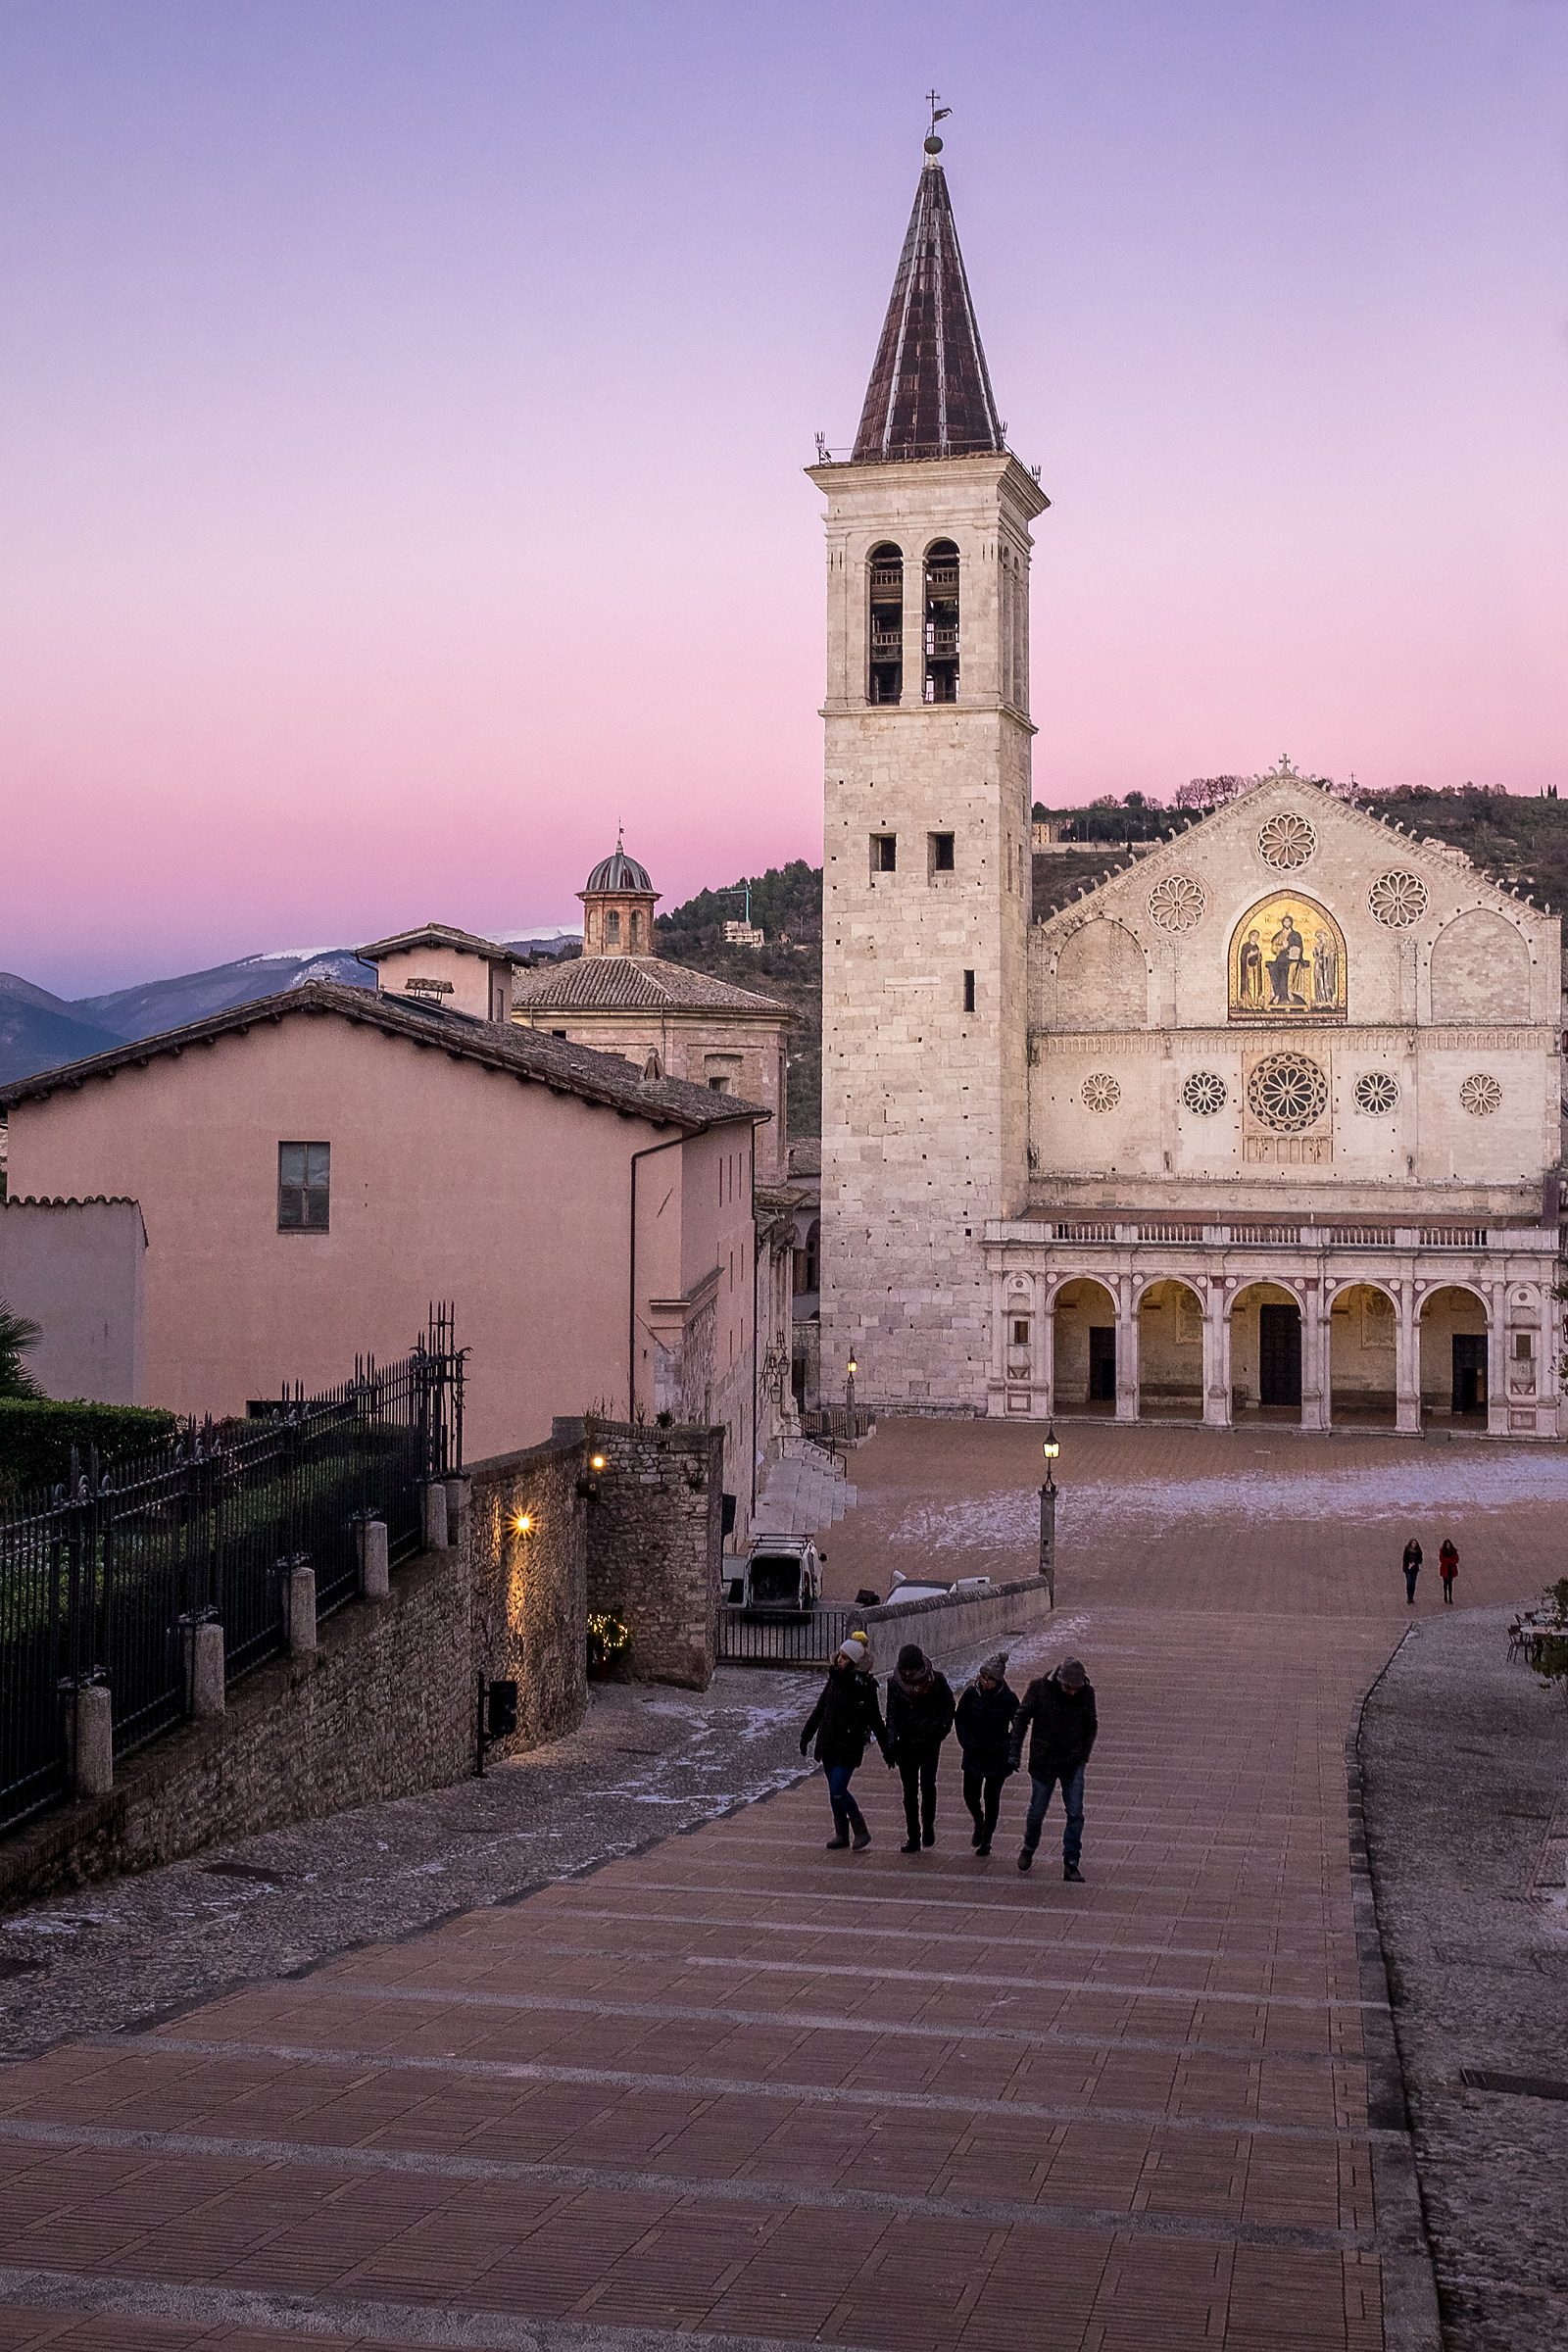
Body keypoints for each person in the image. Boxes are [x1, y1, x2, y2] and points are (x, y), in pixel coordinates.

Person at [1009, 1656, 1098, 1882]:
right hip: (1044, 1760)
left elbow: (1091, 1726)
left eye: (1076, 1688)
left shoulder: (1086, 1694)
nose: (1071, 1692)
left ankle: (1071, 1862)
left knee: (1076, 1813)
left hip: (1072, 1761)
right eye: (1068, 1687)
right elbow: (1021, 1718)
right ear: (1059, 1680)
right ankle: (1029, 1846)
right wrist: (1014, 1751)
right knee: (1037, 1811)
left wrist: (1082, 1756)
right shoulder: (1039, 1688)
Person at [800, 1634, 887, 1851]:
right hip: (829, 1742)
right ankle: (841, 1834)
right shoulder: (834, 1679)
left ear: (855, 1662)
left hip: (849, 1744)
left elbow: (875, 1719)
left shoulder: (864, 1686)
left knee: (839, 1788)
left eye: (846, 1658)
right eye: (840, 1656)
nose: (840, 1661)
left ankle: (861, 1830)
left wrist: (887, 1749)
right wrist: (806, 1735)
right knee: (833, 1790)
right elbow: (821, 1708)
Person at [884, 1642, 956, 1853]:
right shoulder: (894, 1683)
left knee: (928, 1786)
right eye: (904, 1669)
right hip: (906, 1743)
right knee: (909, 1792)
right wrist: (890, 1746)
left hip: (929, 1742)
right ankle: (913, 1836)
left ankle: (929, 1827)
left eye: (911, 1669)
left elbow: (949, 1707)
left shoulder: (937, 1681)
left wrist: (940, 1731)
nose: (907, 1673)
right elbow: (892, 1716)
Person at [955, 1651, 1018, 1856]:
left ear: (998, 1679)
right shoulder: (971, 1694)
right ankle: (978, 1821)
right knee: (970, 1794)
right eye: (983, 1677)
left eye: (990, 1679)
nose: (985, 1682)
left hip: (996, 1754)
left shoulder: (1009, 1699)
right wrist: (965, 1741)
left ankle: (987, 1839)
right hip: (974, 1750)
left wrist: (1008, 1747)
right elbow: (960, 1718)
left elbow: (1018, 1726)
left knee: (992, 1798)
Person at [1402, 1537, 1422, 1605]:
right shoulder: (1407, 1550)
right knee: (1409, 1583)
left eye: (1415, 1543)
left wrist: (1415, 1563)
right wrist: (1409, 1563)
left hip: (1415, 1569)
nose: (1414, 1544)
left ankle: (1412, 1597)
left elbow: (1420, 1560)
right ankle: (1409, 1597)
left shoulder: (1418, 1551)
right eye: (1413, 1543)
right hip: (1408, 1569)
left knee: (1413, 1583)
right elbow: (1404, 1559)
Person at [1439, 1539, 1458, 1603]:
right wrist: (1450, 1561)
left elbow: (1457, 1559)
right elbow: (1441, 1559)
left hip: (1451, 1569)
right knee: (1445, 1583)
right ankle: (1445, 1596)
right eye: (1447, 1545)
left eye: (1449, 1544)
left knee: (1450, 1584)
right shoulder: (1442, 1551)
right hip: (1445, 1569)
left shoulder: (1454, 1551)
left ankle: (1450, 1597)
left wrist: (1448, 1561)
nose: (1448, 1546)